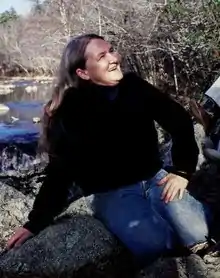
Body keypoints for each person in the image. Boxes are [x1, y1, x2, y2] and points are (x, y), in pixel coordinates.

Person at [6, 34, 213, 265]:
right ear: (83, 73)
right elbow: (60, 172)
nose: (114, 58)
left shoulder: (134, 86)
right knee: (154, 246)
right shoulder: (69, 111)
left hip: (155, 179)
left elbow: (179, 120)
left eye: (112, 50)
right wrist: (35, 223)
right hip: (110, 193)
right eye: (102, 56)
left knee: (200, 232)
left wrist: (182, 172)